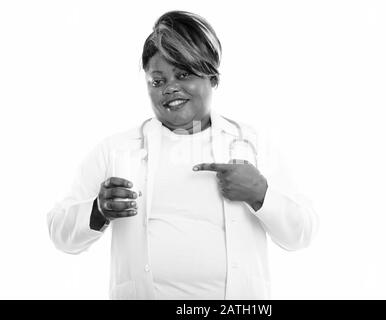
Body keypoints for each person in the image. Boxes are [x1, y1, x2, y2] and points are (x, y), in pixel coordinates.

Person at [47, 10, 318, 300]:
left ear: (212, 77)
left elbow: (301, 235)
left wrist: (260, 194)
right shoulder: (116, 149)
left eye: (183, 74)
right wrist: (97, 210)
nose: (170, 88)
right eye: (157, 80)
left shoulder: (250, 144)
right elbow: (61, 234)